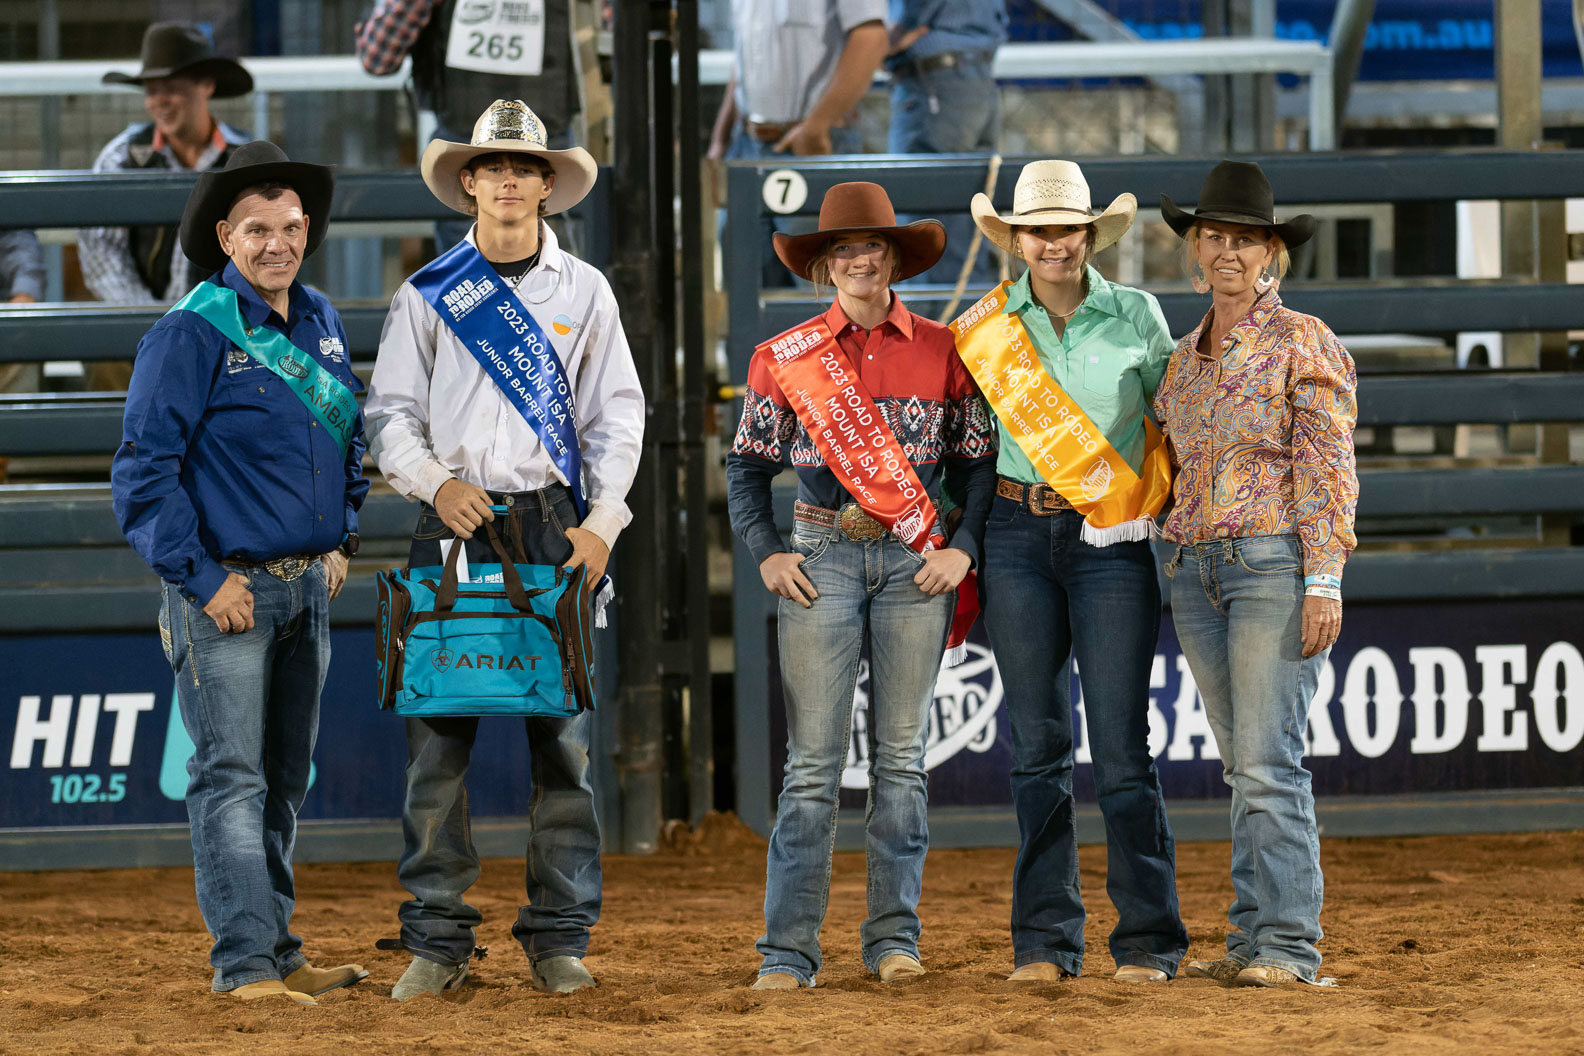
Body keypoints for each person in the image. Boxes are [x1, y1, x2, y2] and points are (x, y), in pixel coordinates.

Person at [363, 98, 644, 1000]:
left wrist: (602, 524)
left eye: (525, 167)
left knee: (562, 742)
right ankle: (437, 941)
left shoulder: (587, 291)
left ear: (548, 185)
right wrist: (432, 481)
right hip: (450, 519)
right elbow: (389, 416)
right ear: (469, 184)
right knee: (436, 744)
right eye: (493, 167)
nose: (510, 180)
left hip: (553, 521)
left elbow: (617, 417)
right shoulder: (427, 293)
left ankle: (559, 936)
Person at [111, 141, 369, 1005]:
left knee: (282, 781)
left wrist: (343, 540)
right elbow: (142, 472)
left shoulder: (321, 320)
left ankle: (279, 952)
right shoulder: (187, 332)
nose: (276, 245)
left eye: (291, 228)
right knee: (232, 779)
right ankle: (247, 967)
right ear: (226, 235)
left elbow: (349, 442)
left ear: (307, 233)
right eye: (257, 229)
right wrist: (201, 576)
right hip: (226, 593)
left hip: (306, 586)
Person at [726, 181, 997, 989]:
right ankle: (788, 951)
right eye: (842, 248)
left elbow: (979, 465)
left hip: (918, 559)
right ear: (825, 263)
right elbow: (746, 467)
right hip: (822, 556)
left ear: (892, 257)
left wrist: (966, 546)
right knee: (811, 765)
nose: (858, 258)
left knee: (903, 761)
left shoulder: (946, 350)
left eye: (871, 246)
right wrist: (767, 552)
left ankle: (893, 941)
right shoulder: (785, 356)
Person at [955, 160, 1188, 984]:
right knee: (1039, 746)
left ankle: (1149, 940)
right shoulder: (984, 330)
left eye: (1068, 228)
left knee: (1124, 749)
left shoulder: (1138, 315)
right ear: (1015, 241)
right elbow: (971, 452)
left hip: (1114, 542)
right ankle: (1044, 940)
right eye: (1038, 230)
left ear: (1090, 236)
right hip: (1017, 535)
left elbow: (1177, 424)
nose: (1054, 243)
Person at [1153, 160, 1357, 989]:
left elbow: (1328, 464)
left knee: (1268, 760)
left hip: (1272, 563)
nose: (1227, 252)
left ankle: (1287, 947)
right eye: (1214, 237)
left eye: (1244, 239)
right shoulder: (1181, 355)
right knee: (1245, 762)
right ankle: (1251, 941)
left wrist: (1325, 577)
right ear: (1196, 248)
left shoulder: (1303, 339)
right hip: (1195, 566)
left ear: (1271, 252)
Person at [355, 0, 581, 248]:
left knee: (551, 273)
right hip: (465, 147)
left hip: (546, 147)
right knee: (471, 277)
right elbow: (376, 58)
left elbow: (619, 41)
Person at [706, 0, 888, 288]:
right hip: (748, 145)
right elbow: (745, 58)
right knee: (744, 291)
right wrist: (721, 137)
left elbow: (872, 37)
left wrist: (817, 125)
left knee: (821, 294)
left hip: (812, 148)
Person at [79, 22, 251, 305]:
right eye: (151, 90)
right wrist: (156, 324)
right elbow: (102, 253)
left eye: (171, 88)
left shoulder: (243, 159)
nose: (159, 101)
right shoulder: (121, 159)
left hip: (226, 324)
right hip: (144, 329)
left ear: (206, 85)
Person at [885, 0, 1006, 287]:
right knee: (966, 228)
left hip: (933, 87)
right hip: (972, 78)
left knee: (928, 228)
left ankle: (935, 329)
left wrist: (886, 39)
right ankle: (969, 328)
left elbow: (908, 18)